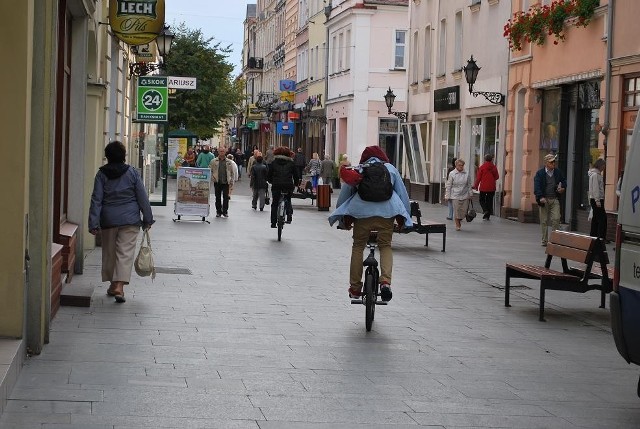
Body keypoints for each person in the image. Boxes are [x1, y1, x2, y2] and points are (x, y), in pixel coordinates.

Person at [328, 145, 412, 302]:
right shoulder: (391, 169)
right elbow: (402, 194)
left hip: (362, 214)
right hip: (387, 213)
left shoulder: (360, 169)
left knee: (358, 246)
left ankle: (355, 288)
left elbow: (346, 194)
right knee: (385, 245)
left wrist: (342, 219)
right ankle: (385, 283)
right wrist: (406, 219)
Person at [88, 141, 154, 303]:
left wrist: (93, 223)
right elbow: (142, 197)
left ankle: (113, 284)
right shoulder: (132, 173)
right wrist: (148, 218)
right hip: (130, 220)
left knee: (110, 252)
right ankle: (119, 286)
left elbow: (96, 199)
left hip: (109, 219)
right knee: (125, 253)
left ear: (107, 156)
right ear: (123, 155)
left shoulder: (101, 175)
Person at [534, 153, 567, 246]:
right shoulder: (540, 173)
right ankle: (544, 240)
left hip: (554, 198)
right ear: (546, 163)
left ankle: (554, 240)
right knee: (544, 221)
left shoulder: (557, 172)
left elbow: (564, 181)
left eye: (554, 162)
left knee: (556, 218)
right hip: (544, 200)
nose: (553, 164)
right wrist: (540, 197)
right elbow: (537, 187)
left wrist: (562, 188)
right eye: (551, 162)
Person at [267, 146, 298, 228]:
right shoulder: (291, 163)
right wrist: (296, 183)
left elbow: (269, 174)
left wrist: (270, 181)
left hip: (276, 185)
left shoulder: (274, 162)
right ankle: (289, 216)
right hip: (288, 185)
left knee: (275, 203)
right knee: (288, 199)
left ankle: (273, 222)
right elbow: (296, 175)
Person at [445, 159, 473, 231]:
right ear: (456, 165)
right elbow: (449, 185)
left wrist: (471, 194)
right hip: (455, 195)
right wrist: (447, 196)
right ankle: (457, 223)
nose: (461, 167)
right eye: (459, 165)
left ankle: (459, 219)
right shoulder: (452, 174)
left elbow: (469, 184)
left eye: (462, 165)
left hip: (465, 194)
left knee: (464, 211)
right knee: (457, 210)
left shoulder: (466, 173)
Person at [209, 146, 236, 218]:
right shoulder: (213, 161)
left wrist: (231, 181)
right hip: (217, 182)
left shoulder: (229, 162)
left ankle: (225, 211)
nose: (222, 152)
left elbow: (232, 172)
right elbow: (210, 170)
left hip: (226, 182)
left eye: (223, 151)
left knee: (226, 198)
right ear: (218, 152)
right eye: (220, 151)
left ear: (225, 152)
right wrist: (213, 178)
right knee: (217, 197)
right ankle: (218, 211)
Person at [473, 153, 500, 220]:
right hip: (491, 187)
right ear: (491, 160)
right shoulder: (494, 167)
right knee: (489, 201)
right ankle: (487, 216)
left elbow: (478, 178)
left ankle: (485, 210)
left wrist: (475, 186)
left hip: (483, 187)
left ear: (485, 159)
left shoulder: (482, 167)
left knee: (481, 200)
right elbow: (497, 177)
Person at [588, 158, 606, 241]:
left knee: (595, 218)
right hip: (597, 199)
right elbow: (595, 189)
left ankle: (593, 236)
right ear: (600, 165)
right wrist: (598, 201)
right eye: (603, 166)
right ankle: (600, 237)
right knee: (602, 219)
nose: (604, 168)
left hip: (595, 199)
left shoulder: (595, 174)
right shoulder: (595, 175)